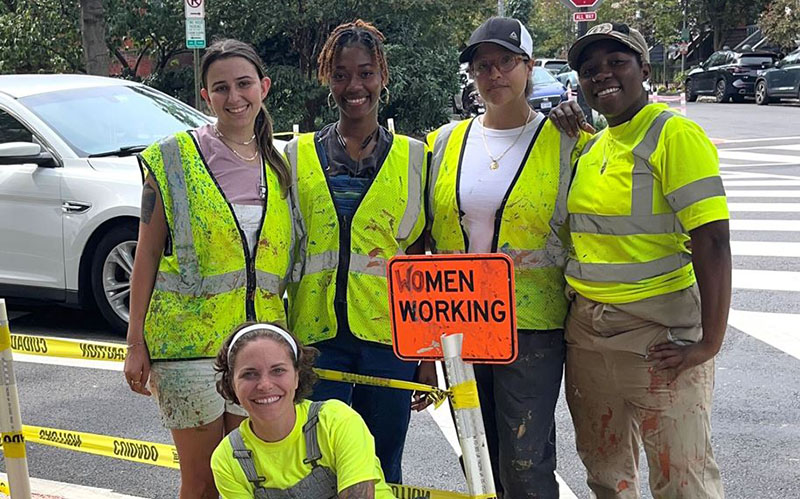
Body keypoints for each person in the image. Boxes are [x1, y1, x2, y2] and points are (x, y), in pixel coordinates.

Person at [549, 23, 731, 498]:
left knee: (682, 477)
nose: (602, 76)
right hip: (588, 333)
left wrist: (709, 343)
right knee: (606, 473)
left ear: (644, 70)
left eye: (617, 63)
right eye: (590, 70)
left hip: (659, 334)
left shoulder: (674, 135)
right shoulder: (593, 145)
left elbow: (712, 242)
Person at [123, 39, 294, 498]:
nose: (234, 97)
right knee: (201, 483)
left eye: (243, 84)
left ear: (264, 87)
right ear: (205, 96)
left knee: (247, 482)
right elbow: (146, 256)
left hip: (255, 350)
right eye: (221, 88)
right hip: (186, 351)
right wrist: (136, 341)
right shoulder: (173, 158)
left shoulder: (282, 165)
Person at [427, 17, 586, 498]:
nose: (494, 74)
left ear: (529, 66)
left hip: (530, 326)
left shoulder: (566, 141)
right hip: (460, 321)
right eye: (482, 66)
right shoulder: (444, 141)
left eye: (505, 63)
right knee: (476, 454)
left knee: (525, 460)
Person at [284, 19, 434, 484]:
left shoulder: (415, 157)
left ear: (382, 76)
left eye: (366, 73)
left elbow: (422, 260)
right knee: (319, 463)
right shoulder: (296, 155)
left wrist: (427, 354)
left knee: (383, 462)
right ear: (328, 79)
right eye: (342, 74)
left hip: (389, 342)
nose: (355, 86)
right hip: (316, 338)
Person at [210, 323, 396, 498]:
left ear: (297, 376)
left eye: (278, 371)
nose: (265, 385)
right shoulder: (228, 458)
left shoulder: (337, 421)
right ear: (231, 384)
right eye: (249, 374)